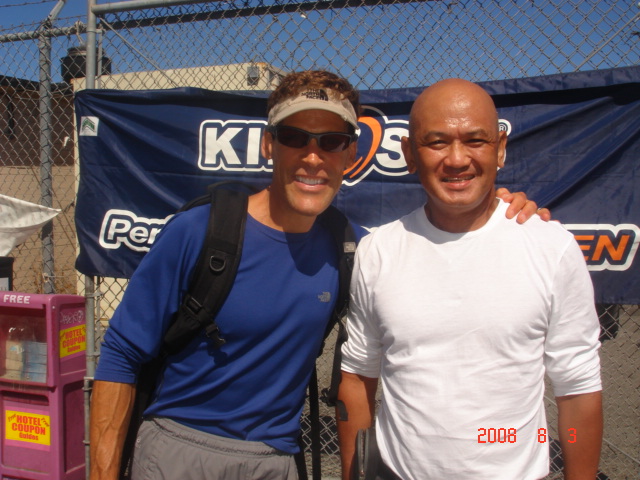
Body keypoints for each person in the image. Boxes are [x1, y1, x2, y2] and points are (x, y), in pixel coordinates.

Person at [89, 71, 542, 480]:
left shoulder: (355, 248)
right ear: (269, 145)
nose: (312, 157)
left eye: (331, 141)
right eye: (294, 137)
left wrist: (500, 212)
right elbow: (122, 354)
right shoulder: (199, 231)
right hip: (181, 451)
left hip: (275, 460)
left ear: (350, 153)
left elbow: (445, 242)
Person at [337, 78, 603, 480]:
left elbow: (578, 388)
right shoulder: (379, 251)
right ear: (409, 154)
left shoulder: (552, 247)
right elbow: (357, 378)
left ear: (500, 149)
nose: (457, 159)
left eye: (476, 140)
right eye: (437, 142)